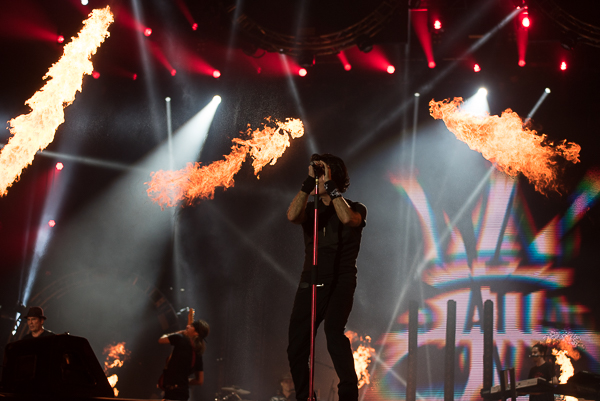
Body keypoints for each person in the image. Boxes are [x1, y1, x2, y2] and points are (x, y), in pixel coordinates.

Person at [286, 153, 367, 401]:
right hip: (311, 279)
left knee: (333, 332)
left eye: (323, 173)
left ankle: (348, 396)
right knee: (296, 347)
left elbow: (346, 219)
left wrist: (330, 188)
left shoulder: (355, 208)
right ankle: (305, 397)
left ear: (334, 177)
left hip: (341, 280)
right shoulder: (310, 209)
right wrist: (308, 185)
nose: (319, 178)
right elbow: (291, 216)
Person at [158, 319, 210, 401]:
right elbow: (200, 381)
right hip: (184, 393)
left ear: (196, 332)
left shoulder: (179, 338)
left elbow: (161, 339)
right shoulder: (198, 352)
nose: (187, 326)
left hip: (171, 393)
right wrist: (183, 380)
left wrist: (180, 332)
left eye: (191, 326)